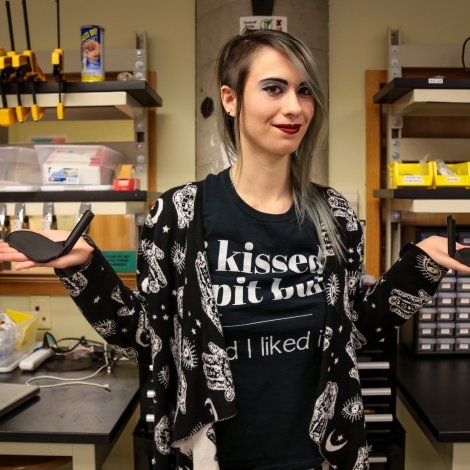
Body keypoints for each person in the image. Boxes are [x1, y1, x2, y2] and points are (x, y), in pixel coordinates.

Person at [0, 29, 469, 470]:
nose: (295, 107)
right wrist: (86, 271)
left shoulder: (336, 216)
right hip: (210, 456)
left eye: (304, 91)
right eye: (273, 88)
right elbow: (144, 335)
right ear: (230, 99)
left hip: (318, 454)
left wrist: (420, 266)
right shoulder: (178, 216)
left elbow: (356, 330)